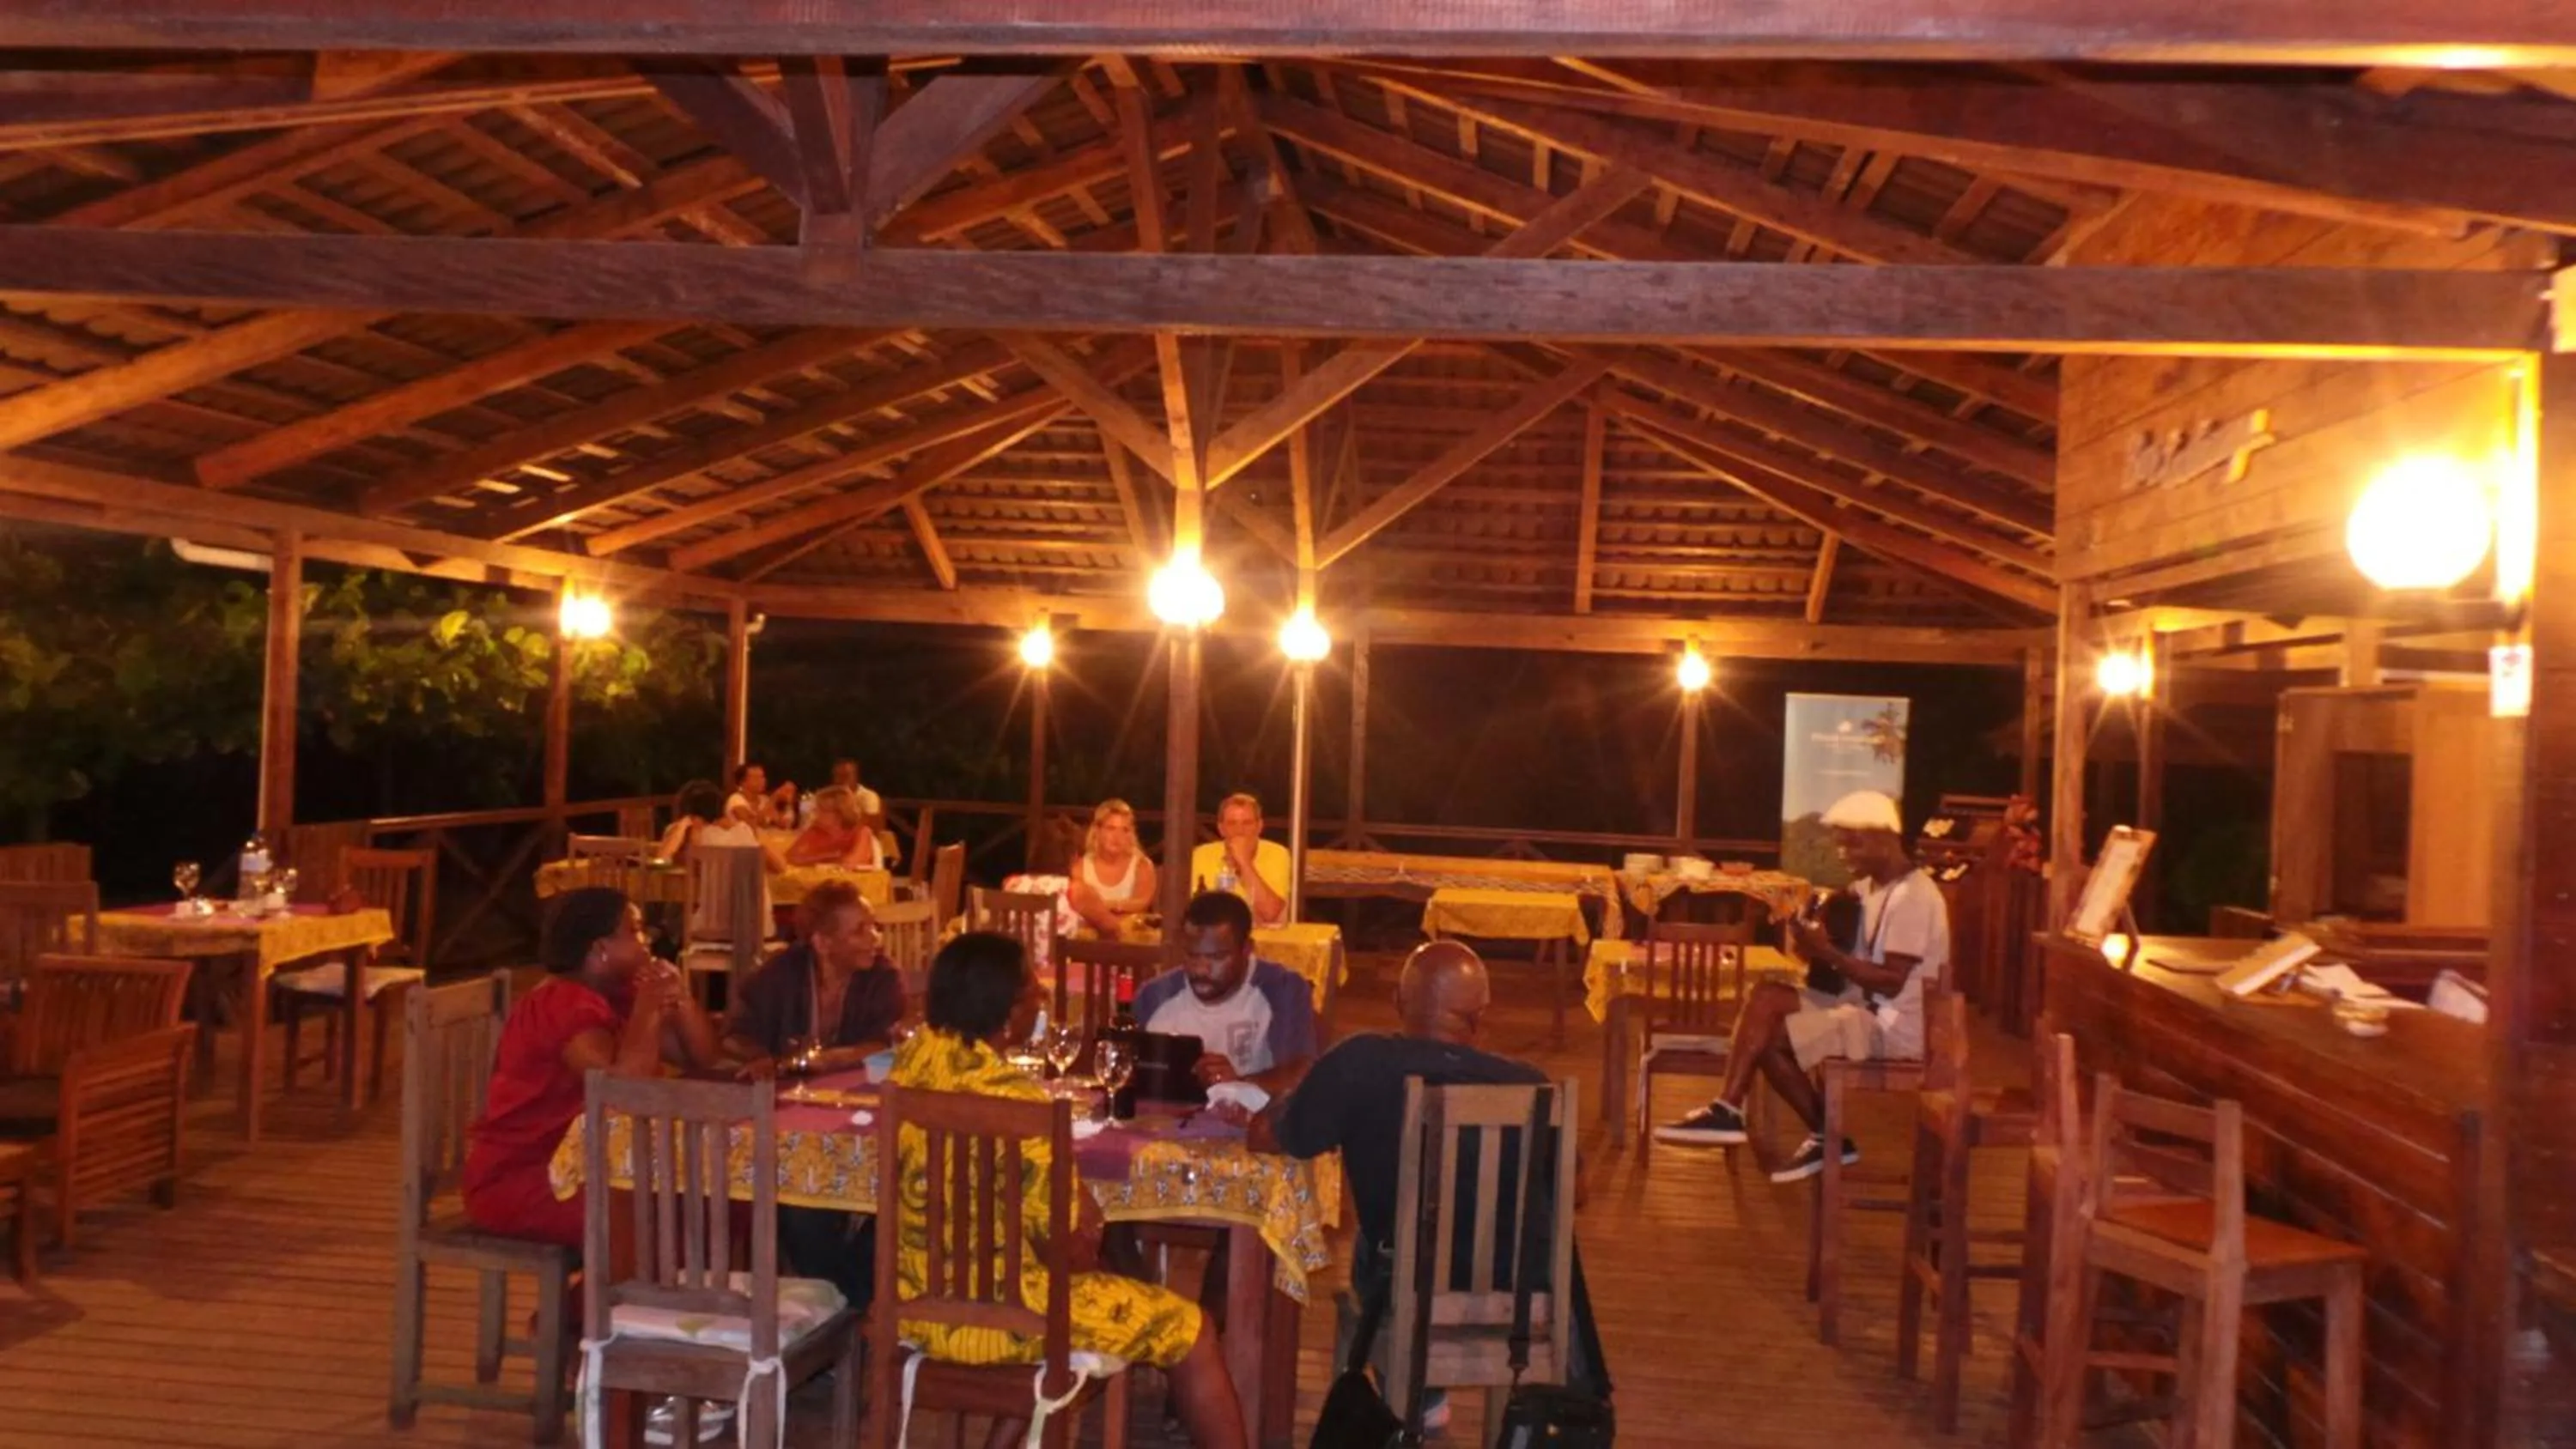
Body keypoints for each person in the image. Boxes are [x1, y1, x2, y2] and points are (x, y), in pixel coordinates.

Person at [886, 932, 1247, 1449]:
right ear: (1007, 1012)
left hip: (915, 1304)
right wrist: (1089, 1229)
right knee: (1193, 1331)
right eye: (1031, 989)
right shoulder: (1019, 1105)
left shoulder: (912, 1065)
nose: (1040, 998)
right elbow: (1066, 1249)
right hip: (1011, 1322)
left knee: (1094, 1286)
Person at [1249, 942, 1611, 1423]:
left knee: (1386, 1238)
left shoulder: (1361, 1062)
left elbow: (1271, 1138)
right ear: (1480, 1018)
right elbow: (1575, 1192)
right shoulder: (1531, 1086)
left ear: (1399, 1005)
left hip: (1406, 1289)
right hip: (1518, 1298)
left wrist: (1283, 1100)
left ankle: (1419, 1392)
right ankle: (1431, 1393)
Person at [1654, 789, 1951, 1184]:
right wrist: (1810, 931)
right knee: (1765, 997)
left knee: (1768, 1037)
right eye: (1840, 843)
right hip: (1865, 1009)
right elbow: (1841, 944)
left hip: (1895, 1029)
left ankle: (1824, 1136)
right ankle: (1729, 1110)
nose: (1843, 853)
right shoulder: (1871, 888)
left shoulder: (1914, 897)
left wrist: (1827, 953)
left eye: (1853, 843)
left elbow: (1892, 983)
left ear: (1885, 837)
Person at [460, 888, 724, 1247]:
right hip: (527, 1177)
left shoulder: (618, 992)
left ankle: (603, 1302)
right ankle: (590, 1305)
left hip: (593, 1167)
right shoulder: (561, 1004)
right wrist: (649, 1007)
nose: (647, 942)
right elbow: (626, 1092)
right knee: (665, 1218)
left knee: (719, 1203)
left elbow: (703, 1059)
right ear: (600, 949)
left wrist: (681, 997)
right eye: (635, 931)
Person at [722, 880, 904, 1308]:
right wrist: (760, 1056)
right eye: (860, 930)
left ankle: (843, 1303)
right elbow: (733, 1034)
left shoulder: (883, 976)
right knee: (800, 1207)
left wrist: (839, 1057)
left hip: (861, 1116)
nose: (875, 938)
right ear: (823, 942)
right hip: (789, 1116)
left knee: (892, 1201)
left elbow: (889, 1042)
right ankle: (852, 1304)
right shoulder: (780, 975)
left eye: (874, 927)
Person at [1133, 890, 1316, 1095]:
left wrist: (1238, 1083)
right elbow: (1129, 1074)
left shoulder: (1282, 989)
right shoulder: (1154, 996)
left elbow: (1300, 1076)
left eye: (1217, 957)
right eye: (1192, 955)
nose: (1201, 969)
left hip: (1253, 1123)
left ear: (1247, 949)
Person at [1188, 791, 1291, 927]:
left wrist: (1244, 862)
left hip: (1263, 939)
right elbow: (1195, 910)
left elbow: (1270, 913)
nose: (1239, 830)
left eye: (1247, 823)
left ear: (1259, 826)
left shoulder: (1277, 853)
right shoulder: (1202, 854)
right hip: (1214, 937)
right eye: (1232, 823)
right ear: (1221, 828)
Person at [1066, 797, 1157, 937]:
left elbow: (1142, 903)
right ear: (1098, 830)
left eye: (1124, 830)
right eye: (1111, 828)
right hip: (1089, 940)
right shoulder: (1081, 867)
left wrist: (1106, 906)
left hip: (1129, 940)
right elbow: (1078, 905)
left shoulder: (1142, 866)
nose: (1117, 837)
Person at [656, 779, 789, 874]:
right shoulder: (743, 831)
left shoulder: (693, 838)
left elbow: (661, 860)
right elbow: (781, 867)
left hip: (709, 910)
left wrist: (683, 826)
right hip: (752, 911)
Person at [787, 785, 884, 870]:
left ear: (840, 814)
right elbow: (790, 857)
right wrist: (830, 857)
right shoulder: (815, 830)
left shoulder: (861, 832)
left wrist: (811, 860)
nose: (815, 814)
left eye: (821, 810)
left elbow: (849, 863)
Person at [725, 762, 798, 830]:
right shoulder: (736, 799)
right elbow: (750, 824)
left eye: (762, 777)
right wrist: (773, 799)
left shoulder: (764, 800)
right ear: (743, 782)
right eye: (756, 778)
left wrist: (786, 802)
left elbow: (781, 825)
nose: (762, 781)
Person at [827, 757, 884, 822]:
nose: (841, 780)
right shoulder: (827, 797)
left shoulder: (868, 796)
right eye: (838, 776)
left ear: (855, 776)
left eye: (846, 775)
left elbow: (871, 825)